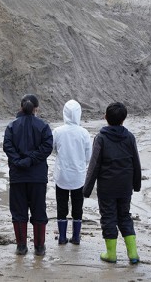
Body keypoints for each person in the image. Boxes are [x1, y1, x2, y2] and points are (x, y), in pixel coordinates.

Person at [83, 102, 141, 265]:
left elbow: (94, 165)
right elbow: (136, 162)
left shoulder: (101, 138)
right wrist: (136, 185)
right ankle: (133, 254)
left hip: (107, 187)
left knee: (108, 217)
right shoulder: (129, 137)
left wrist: (86, 189)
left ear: (105, 117)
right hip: (125, 186)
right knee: (125, 216)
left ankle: (111, 254)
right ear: (124, 119)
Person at [3, 94, 53, 256]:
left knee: (18, 212)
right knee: (39, 211)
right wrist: (31, 160)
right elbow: (47, 148)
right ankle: (39, 247)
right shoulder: (43, 126)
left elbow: (7, 147)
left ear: (20, 107)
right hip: (37, 177)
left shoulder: (11, 126)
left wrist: (19, 161)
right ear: (36, 109)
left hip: (18, 176)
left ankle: (21, 246)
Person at [52, 100, 92, 245]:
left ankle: (62, 237)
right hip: (79, 176)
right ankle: (76, 237)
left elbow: (52, 149)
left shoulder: (57, 131)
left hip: (61, 175)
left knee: (61, 206)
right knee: (77, 207)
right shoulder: (84, 133)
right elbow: (89, 156)